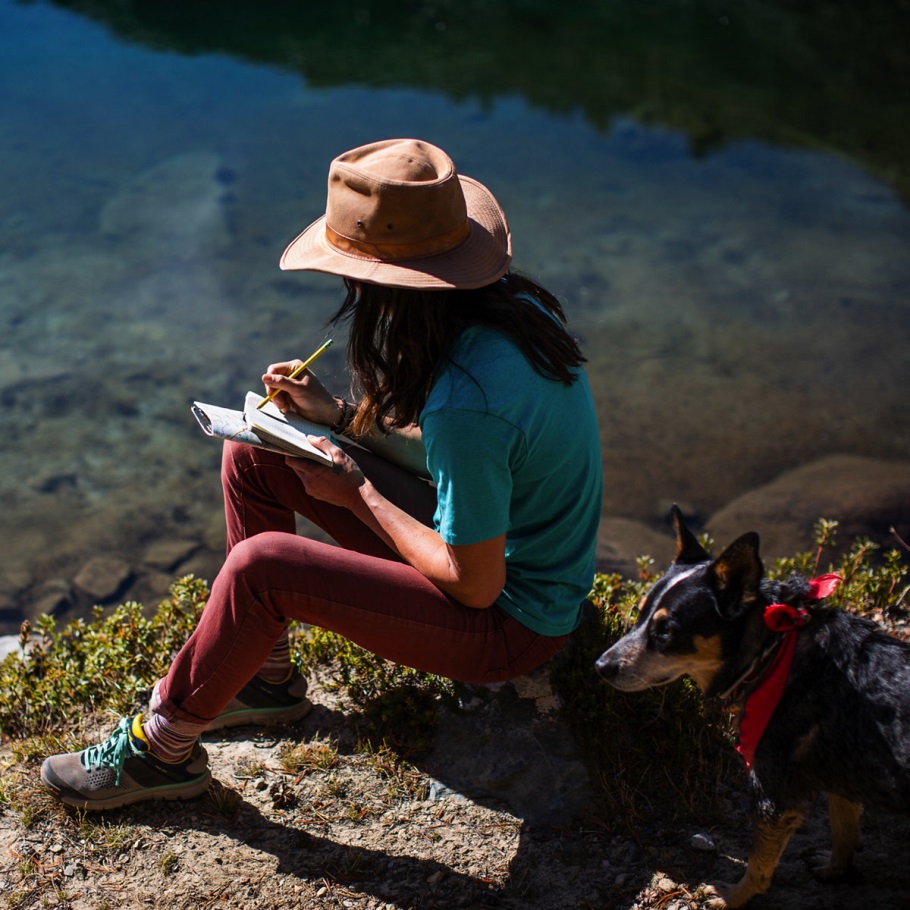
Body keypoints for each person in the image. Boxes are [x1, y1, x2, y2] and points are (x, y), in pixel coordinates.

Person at [40, 138, 604, 810]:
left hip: (514, 624)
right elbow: (461, 460)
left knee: (265, 567)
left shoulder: (469, 403)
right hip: (501, 551)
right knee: (255, 451)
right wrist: (334, 417)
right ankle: (265, 678)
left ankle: (159, 749)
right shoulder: (510, 316)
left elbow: (474, 585)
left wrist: (358, 491)